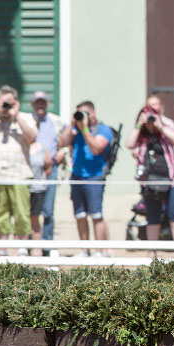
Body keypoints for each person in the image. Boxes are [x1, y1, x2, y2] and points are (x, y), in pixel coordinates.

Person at [0, 86, 38, 255]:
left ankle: (22, 248)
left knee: (21, 212)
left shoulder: (25, 118)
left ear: (16, 102)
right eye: (3, 102)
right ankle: (2, 248)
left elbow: (32, 136)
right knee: (0, 212)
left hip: (20, 173)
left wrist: (16, 115)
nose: (6, 105)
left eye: (9, 102)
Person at [125, 103, 174, 253]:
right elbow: (129, 144)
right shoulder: (142, 137)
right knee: (153, 215)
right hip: (150, 181)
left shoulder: (164, 130)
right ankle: (152, 251)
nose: (150, 120)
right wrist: (139, 126)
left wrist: (160, 126)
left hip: (173, 180)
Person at [57, 100, 112, 254]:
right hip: (76, 176)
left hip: (95, 177)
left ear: (92, 113)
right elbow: (61, 142)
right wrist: (71, 125)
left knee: (96, 215)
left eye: (84, 113)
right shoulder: (75, 128)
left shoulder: (103, 129)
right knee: (80, 215)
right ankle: (85, 251)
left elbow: (96, 149)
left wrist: (85, 128)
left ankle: (100, 252)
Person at [29, 91, 67, 248]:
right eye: (37, 102)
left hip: (51, 170)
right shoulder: (27, 120)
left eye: (43, 102)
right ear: (32, 104)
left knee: (48, 211)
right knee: (31, 211)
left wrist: (63, 152)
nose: (40, 105)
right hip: (30, 171)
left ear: (47, 104)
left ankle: (47, 245)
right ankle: (32, 244)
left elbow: (69, 139)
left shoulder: (56, 121)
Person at [26, 139, 51, 256]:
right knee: (23, 218)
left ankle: (36, 248)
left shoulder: (41, 147)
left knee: (35, 218)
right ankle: (23, 248)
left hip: (37, 189)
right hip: (23, 188)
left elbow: (48, 166)